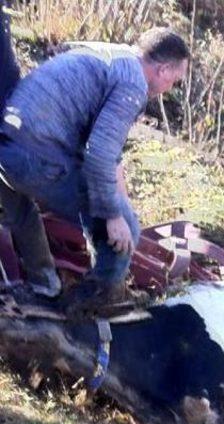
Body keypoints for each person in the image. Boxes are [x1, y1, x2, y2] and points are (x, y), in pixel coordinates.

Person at [0, 25, 189, 313]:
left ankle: (45, 286)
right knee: (126, 234)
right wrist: (113, 216)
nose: (170, 88)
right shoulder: (133, 85)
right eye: (174, 80)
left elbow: (110, 156)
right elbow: (99, 155)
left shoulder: (113, 56)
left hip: (7, 150)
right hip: (35, 157)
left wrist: (121, 203)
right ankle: (95, 300)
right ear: (163, 70)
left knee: (24, 212)